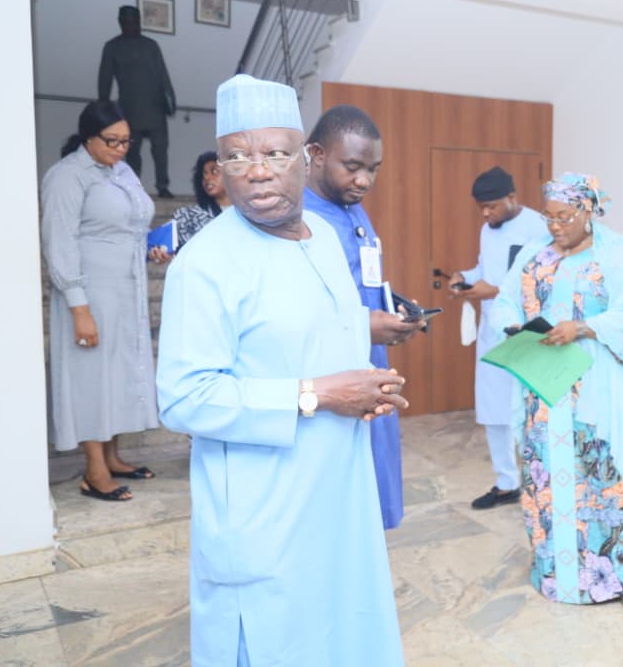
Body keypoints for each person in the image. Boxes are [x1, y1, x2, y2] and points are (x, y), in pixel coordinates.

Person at [156, 75, 406, 666]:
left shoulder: (322, 238)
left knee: (343, 633)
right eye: (236, 156)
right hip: (265, 509)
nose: (257, 172)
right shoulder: (206, 263)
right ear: (219, 167)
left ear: (305, 158)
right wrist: (316, 395)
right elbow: (184, 398)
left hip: (337, 494)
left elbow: (312, 329)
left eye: (274, 153)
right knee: (276, 643)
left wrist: (364, 372)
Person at [491, 172, 623, 615]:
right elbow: (505, 301)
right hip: (543, 389)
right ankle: (557, 575)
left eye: (564, 217)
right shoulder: (534, 254)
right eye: (548, 217)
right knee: (546, 479)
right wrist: (514, 326)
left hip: (593, 391)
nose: (555, 226)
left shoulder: (619, 255)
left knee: (603, 479)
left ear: (588, 211)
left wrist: (583, 327)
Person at [40, 99, 171, 502]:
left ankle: (113, 457)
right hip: (90, 293)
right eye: (111, 141)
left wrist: (151, 246)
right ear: (88, 137)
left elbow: (131, 226)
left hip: (127, 290)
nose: (120, 148)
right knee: (91, 377)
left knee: (117, 374)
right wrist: (79, 307)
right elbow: (59, 242)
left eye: (126, 141)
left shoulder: (123, 171)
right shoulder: (67, 176)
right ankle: (94, 470)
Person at [303, 105, 424, 530]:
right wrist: (362, 325)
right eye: (352, 167)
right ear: (317, 154)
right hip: (329, 377)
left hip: (370, 363)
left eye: (373, 169)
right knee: (338, 507)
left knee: (373, 488)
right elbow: (296, 309)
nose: (364, 181)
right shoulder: (299, 220)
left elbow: (362, 279)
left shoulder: (353, 208)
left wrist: (394, 309)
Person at [447, 166, 548, 510]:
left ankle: (541, 484)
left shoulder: (538, 228)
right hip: (492, 333)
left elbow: (542, 280)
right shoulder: (487, 230)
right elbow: (485, 270)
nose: (486, 214)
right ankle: (507, 484)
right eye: (481, 208)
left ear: (512, 197)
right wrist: (464, 277)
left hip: (527, 333)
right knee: (494, 410)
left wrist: (495, 290)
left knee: (531, 412)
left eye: (491, 206)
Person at [98, 5, 176, 198]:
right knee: (132, 152)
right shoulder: (113, 47)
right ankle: (133, 188)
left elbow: (163, 75)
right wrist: (103, 105)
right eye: (127, 22)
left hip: (155, 107)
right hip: (129, 109)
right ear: (120, 22)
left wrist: (170, 100)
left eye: (134, 22)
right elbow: (105, 78)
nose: (131, 25)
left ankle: (162, 186)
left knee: (160, 150)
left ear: (139, 22)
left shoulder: (151, 45)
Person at [172, 151, 230, 245]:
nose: (207, 178)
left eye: (214, 171)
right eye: (204, 174)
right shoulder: (187, 217)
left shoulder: (250, 215)